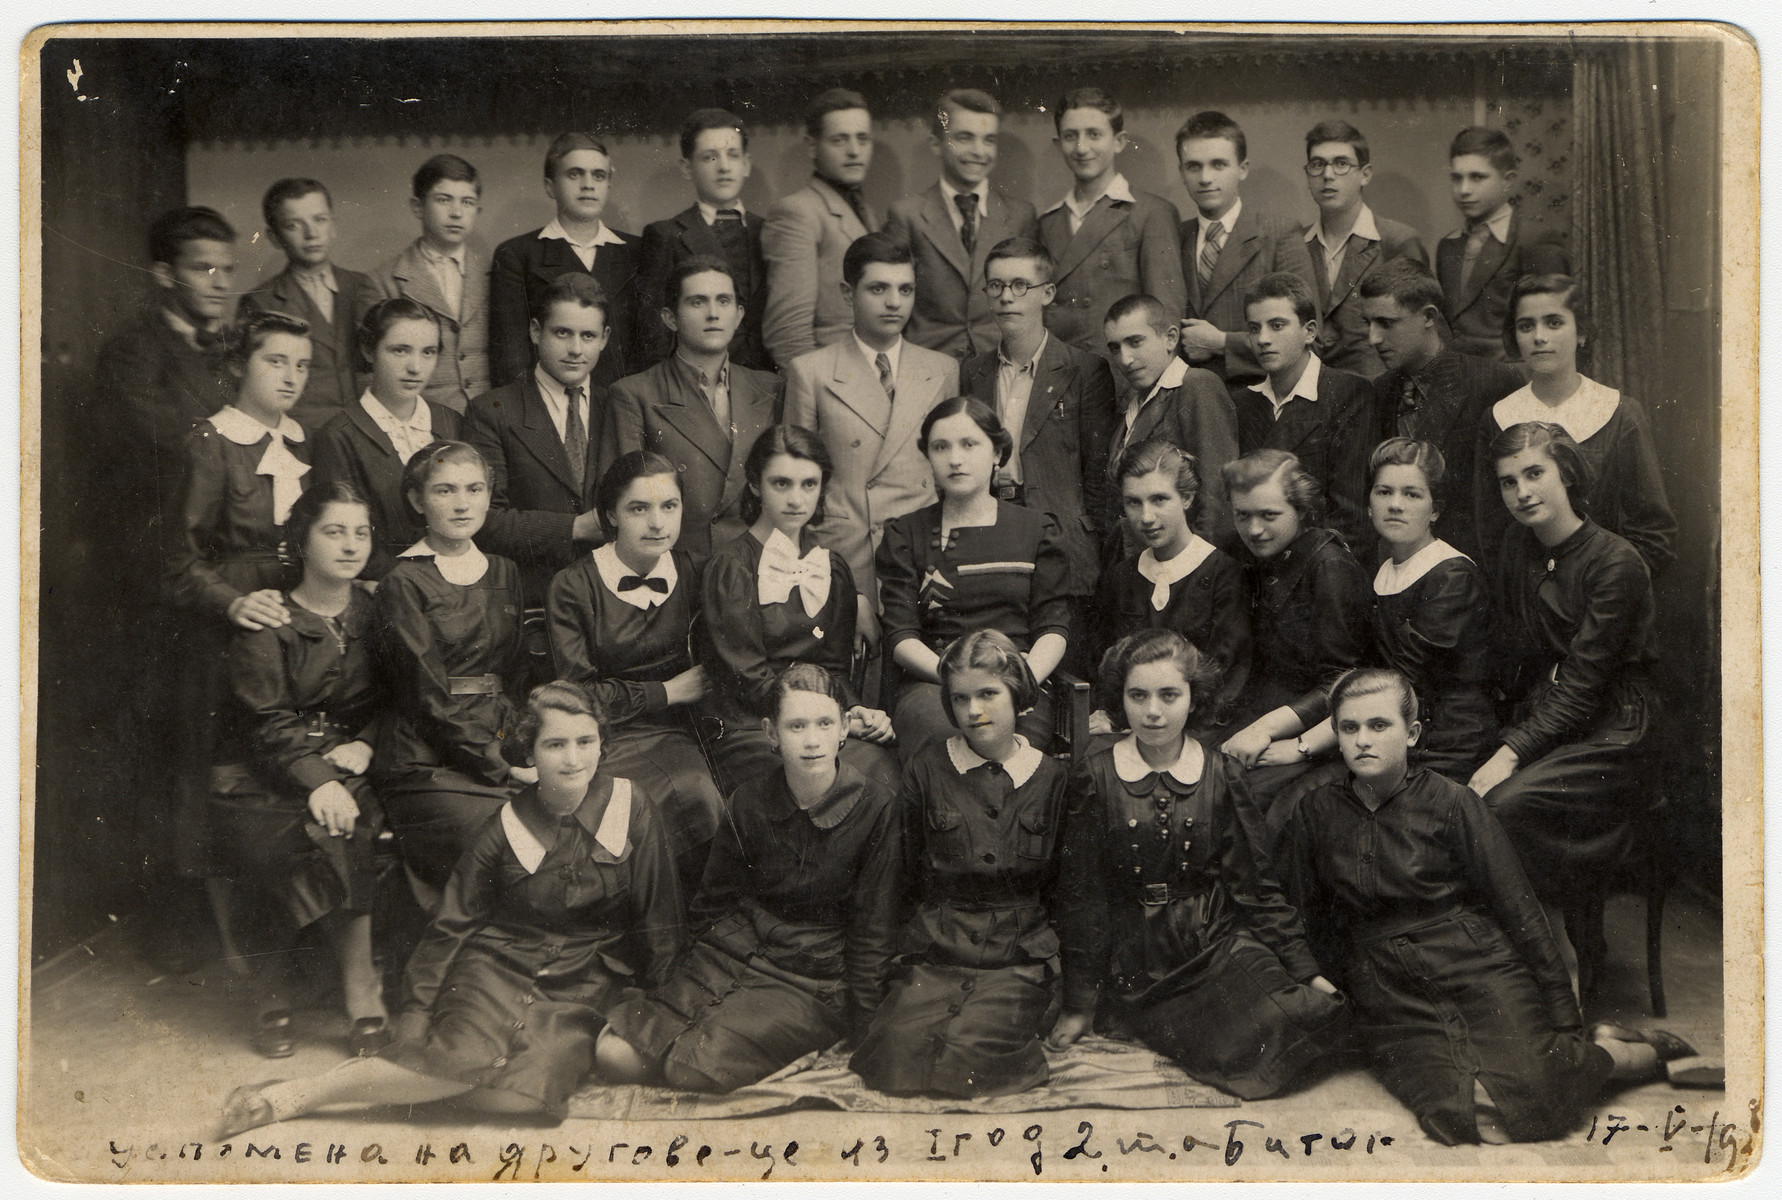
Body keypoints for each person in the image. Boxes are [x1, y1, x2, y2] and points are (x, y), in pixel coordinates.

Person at [218, 680, 686, 1137]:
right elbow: (451, 926)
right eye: (555, 744)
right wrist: (416, 1022)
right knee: (456, 1060)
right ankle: (298, 1095)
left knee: (528, 1097)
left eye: (586, 742)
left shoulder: (632, 806)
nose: (573, 759)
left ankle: (386, 1084)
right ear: (529, 754)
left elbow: (660, 917)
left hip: (583, 980)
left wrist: (663, 1011)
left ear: (603, 745)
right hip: (496, 966)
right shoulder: (504, 826)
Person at [1279, 668, 1710, 1147]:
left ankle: (1619, 1054)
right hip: (1387, 987)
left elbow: (1520, 912)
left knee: (1539, 1099)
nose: (1363, 740)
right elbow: (1301, 914)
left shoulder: (1455, 803)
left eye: (1379, 726)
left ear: (1412, 733)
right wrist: (1330, 984)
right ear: (1336, 736)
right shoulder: (1314, 812)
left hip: (1476, 963)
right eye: (1349, 728)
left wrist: (1567, 1022)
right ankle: (1583, 1054)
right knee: (1459, 1114)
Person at [1048, 631, 1345, 1099]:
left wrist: (1303, 969)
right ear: (1120, 699)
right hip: (1137, 959)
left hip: (1216, 941)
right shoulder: (1097, 773)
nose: (1153, 711)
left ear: (1194, 698)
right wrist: (1080, 1004)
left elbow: (1256, 887)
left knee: (1308, 1012)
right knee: (1247, 1040)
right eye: (1138, 695)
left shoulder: (1219, 772)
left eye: (1169, 695)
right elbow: (1082, 895)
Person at [598, 664, 902, 1093]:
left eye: (824, 723)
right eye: (796, 726)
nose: (812, 740)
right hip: (732, 953)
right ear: (771, 733)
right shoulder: (750, 799)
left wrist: (862, 1025)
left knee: (691, 1069)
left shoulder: (877, 809)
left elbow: (875, 928)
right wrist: (702, 961)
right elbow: (713, 900)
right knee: (614, 1053)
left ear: (843, 730)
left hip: (812, 978)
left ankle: (779, 1049)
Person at [850, 630, 1082, 1099]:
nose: (973, 711)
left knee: (970, 1057)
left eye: (988, 694)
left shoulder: (1054, 779)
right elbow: (895, 882)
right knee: (894, 1054)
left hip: (1017, 961)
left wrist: (1080, 1001)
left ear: (1018, 696)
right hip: (937, 953)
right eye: (960, 699)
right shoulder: (926, 769)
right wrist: (868, 997)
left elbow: (1074, 896)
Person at [209, 481, 391, 1060]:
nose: (350, 545)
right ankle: (276, 990)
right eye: (333, 531)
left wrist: (367, 742)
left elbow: (402, 696)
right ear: (302, 542)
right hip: (265, 771)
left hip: (348, 762)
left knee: (344, 825)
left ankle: (356, 987)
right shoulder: (271, 619)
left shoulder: (379, 612)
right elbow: (266, 723)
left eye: (360, 532)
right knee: (291, 839)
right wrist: (320, 782)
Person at [165, 311, 316, 965]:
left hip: (292, 626)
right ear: (238, 367)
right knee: (231, 784)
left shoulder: (300, 438)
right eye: (274, 361)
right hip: (226, 635)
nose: (291, 377)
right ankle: (241, 953)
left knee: (290, 769)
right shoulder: (212, 441)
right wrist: (232, 603)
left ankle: (297, 937)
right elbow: (177, 560)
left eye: (302, 365)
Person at [1468, 422, 1660, 920]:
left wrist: (1509, 754)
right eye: (1508, 481)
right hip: (1554, 711)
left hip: (1613, 727)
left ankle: (1561, 951)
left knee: (1507, 803)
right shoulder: (1518, 544)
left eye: (1535, 473)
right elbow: (1515, 652)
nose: (1522, 492)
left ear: (1568, 474)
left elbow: (1582, 686)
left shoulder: (1615, 561)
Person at [1271, 439, 1497, 788]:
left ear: (1435, 509)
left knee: (1306, 793)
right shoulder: (1384, 571)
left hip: (1445, 746)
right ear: (1370, 503)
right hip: (1386, 732)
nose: (1395, 505)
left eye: (1412, 495)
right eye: (1384, 492)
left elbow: (1400, 681)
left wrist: (1303, 746)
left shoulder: (1452, 576)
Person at [546, 451, 721, 886]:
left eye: (669, 507)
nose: (657, 523)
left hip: (685, 729)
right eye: (638, 509)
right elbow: (579, 696)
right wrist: (666, 691)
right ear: (611, 515)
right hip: (607, 737)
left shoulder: (694, 570)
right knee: (649, 801)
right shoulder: (574, 585)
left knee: (703, 790)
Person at [697, 425, 899, 794]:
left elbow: (835, 668)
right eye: (781, 484)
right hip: (754, 725)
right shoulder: (732, 568)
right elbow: (748, 676)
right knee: (817, 776)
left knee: (879, 767)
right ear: (756, 485)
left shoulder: (830, 565)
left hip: (818, 718)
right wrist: (823, 720)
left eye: (809, 484)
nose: (796, 499)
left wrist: (853, 714)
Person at [373, 440, 531, 901]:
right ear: (417, 500)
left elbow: (516, 675)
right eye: (444, 491)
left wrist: (520, 750)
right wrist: (499, 765)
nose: (462, 503)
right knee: (502, 838)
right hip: (427, 757)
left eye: (474, 488)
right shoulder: (403, 581)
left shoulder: (504, 571)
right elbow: (427, 695)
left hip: (498, 739)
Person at [784, 232, 958, 647]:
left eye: (905, 289)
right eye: (878, 289)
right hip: (844, 557)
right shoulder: (812, 371)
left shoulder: (943, 370)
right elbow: (797, 488)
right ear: (848, 293)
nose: (894, 302)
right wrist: (846, 584)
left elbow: (951, 482)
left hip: (921, 559)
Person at [876, 398, 1075, 758]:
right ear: (929, 456)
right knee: (940, 739)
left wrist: (1019, 681)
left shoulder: (1036, 530)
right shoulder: (907, 534)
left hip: (1016, 684)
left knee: (1016, 747)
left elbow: (1053, 628)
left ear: (997, 452)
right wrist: (958, 680)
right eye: (941, 447)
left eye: (969, 444)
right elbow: (901, 636)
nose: (955, 458)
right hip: (935, 686)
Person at [1471, 274, 1676, 578]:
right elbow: (1488, 533)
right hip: (1522, 600)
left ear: (1581, 333)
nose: (1539, 337)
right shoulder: (1498, 417)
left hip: (1605, 595)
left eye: (1554, 323)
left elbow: (1653, 533)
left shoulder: (1620, 414)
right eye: (1526, 326)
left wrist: (1607, 590)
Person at [959, 236, 1117, 599]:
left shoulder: (1084, 370)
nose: (1006, 297)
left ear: (1047, 293)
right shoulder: (973, 373)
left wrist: (1089, 543)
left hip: (1063, 541)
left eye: (1020, 285)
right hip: (992, 530)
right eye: (996, 286)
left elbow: (1098, 476)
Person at [1217, 450, 1370, 816]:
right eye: (1243, 515)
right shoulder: (1248, 555)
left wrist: (1266, 730)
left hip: (1318, 733)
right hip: (1257, 714)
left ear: (1301, 511)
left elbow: (1342, 682)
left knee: (1232, 798)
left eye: (1269, 515)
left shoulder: (1329, 566)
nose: (1254, 529)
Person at [611, 257, 785, 559]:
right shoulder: (634, 393)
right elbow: (627, 504)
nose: (713, 314)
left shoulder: (770, 388)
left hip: (759, 566)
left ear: (739, 314)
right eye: (697, 302)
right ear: (670, 318)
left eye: (724, 301)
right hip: (678, 569)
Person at [462, 272, 615, 605]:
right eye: (562, 333)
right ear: (535, 331)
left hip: (611, 597)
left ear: (604, 338)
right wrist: (574, 527)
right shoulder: (492, 411)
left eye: (588, 336)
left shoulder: (618, 406)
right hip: (530, 597)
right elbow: (483, 519)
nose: (576, 349)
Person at [1359, 257, 1523, 562]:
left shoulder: (1490, 382)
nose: (1373, 339)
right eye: (1368, 323)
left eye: (1386, 323)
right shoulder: (1380, 391)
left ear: (1428, 316)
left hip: (1470, 570)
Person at [1092, 440, 1249, 733]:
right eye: (1133, 502)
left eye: (1159, 499)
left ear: (1187, 498)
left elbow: (1226, 682)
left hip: (1199, 732)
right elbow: (1105, 669)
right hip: (1127, 730)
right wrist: (1106, 714)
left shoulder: (1224, 575)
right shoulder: (1119, 578)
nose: (1146, 517)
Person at [311, 298, 463, 582]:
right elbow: (346, 539)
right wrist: (422, 582)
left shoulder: (450, 422)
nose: (416, 367)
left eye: (428, 352)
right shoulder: (338, 434)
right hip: (385, 587)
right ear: (369, 350)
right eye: (400, 351)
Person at [886, 88, 1040, 360]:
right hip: (928, 363)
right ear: (936, 144)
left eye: (989, 140)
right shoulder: (906, 215)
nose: (978, 151)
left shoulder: (1020, 215)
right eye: (964, 138)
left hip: (1000, 363)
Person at [1230, 272, 1376, 554]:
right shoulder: (1242, 404)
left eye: (1277, 325)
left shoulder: (1348, 393)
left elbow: (1351, 515)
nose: (1263, 339)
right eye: (1254, 328)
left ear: (1309, 331)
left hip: (1322, 568)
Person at [1037, 87, 1185, 358]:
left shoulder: (1152, 212)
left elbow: (1166, 315)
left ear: (1119, 141)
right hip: (1061, 373)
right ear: (1059, 144)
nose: (1082, 148)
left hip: (1122, 374)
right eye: (1071, 136)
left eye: (1094, 135)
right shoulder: (1048, 223)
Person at [490, 132, 642, 390]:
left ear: (608, 185)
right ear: (550, 186)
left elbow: (648, 350)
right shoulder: (518, 255)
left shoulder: (637, 252)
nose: (588, 185)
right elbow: (510, 358)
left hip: (622, 406)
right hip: (547, 407)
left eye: (598, 175)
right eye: (574, 174)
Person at [1174, 111, 1317, 383]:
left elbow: (1308, 338)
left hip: (1259, 401)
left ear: (1242, 168)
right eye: (1194, 166)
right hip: (1189, 401)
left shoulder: (1279, 234)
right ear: (1182, 172)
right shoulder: (1173, 236)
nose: (1205, 178)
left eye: (1218, 165)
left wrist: (1221, 343)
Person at [636, 108, 771, 371]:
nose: (723, 167)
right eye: (710, 157)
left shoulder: (772, 232)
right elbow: (653, 337)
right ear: (687, 168)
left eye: (733, 155)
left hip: (766, 385)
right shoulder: (665, 235)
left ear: (746, 164)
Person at [239, 177, 374, 433]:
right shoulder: (261, 301)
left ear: (332, 225)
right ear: (275, 237)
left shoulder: (362, 287)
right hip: (301, 435)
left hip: (362, 432)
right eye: (294, 225)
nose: (311, 234)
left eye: (319, 220)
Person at [1101, 293, 1239, 542]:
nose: (1125, 359)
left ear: (1170, 338)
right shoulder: (1133, 405)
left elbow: (1218, 496)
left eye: (1135, 342)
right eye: (1115, 348)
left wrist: (1199, 571)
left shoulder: (1196, 385)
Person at [1299, 120, 1428, 380]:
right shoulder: (1297, 243)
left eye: (1341, 164)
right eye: (1317, 164)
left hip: (1378, 391)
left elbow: (1425, 333)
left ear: (1365, 174)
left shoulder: (1396, 241)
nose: (1327, 175)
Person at [763, 88, 879, 369]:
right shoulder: (797, 213)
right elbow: (787, 331)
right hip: (834, 380)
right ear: (812, 146)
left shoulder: (865, 211)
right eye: (839, 140)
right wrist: (819, 401)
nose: (854, 150)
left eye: (862, 139)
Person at [365, 154, 490, 413]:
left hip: (488, 422)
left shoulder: (493, 273)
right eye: (443, 200)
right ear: (417, 207)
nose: (456, 212)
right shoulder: (383, 281)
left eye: (467, 202)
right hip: (424, 422)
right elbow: (370, 373)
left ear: (477, 210)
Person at [1436, 127, 1570, 363]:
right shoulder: (1447, 246)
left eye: (1477, 177)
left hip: (1514, 380)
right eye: (1457, 178)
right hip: (1456, 378)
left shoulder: (1535, 240)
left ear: (1507, 180)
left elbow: (1554, 329)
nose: (1464, 190)